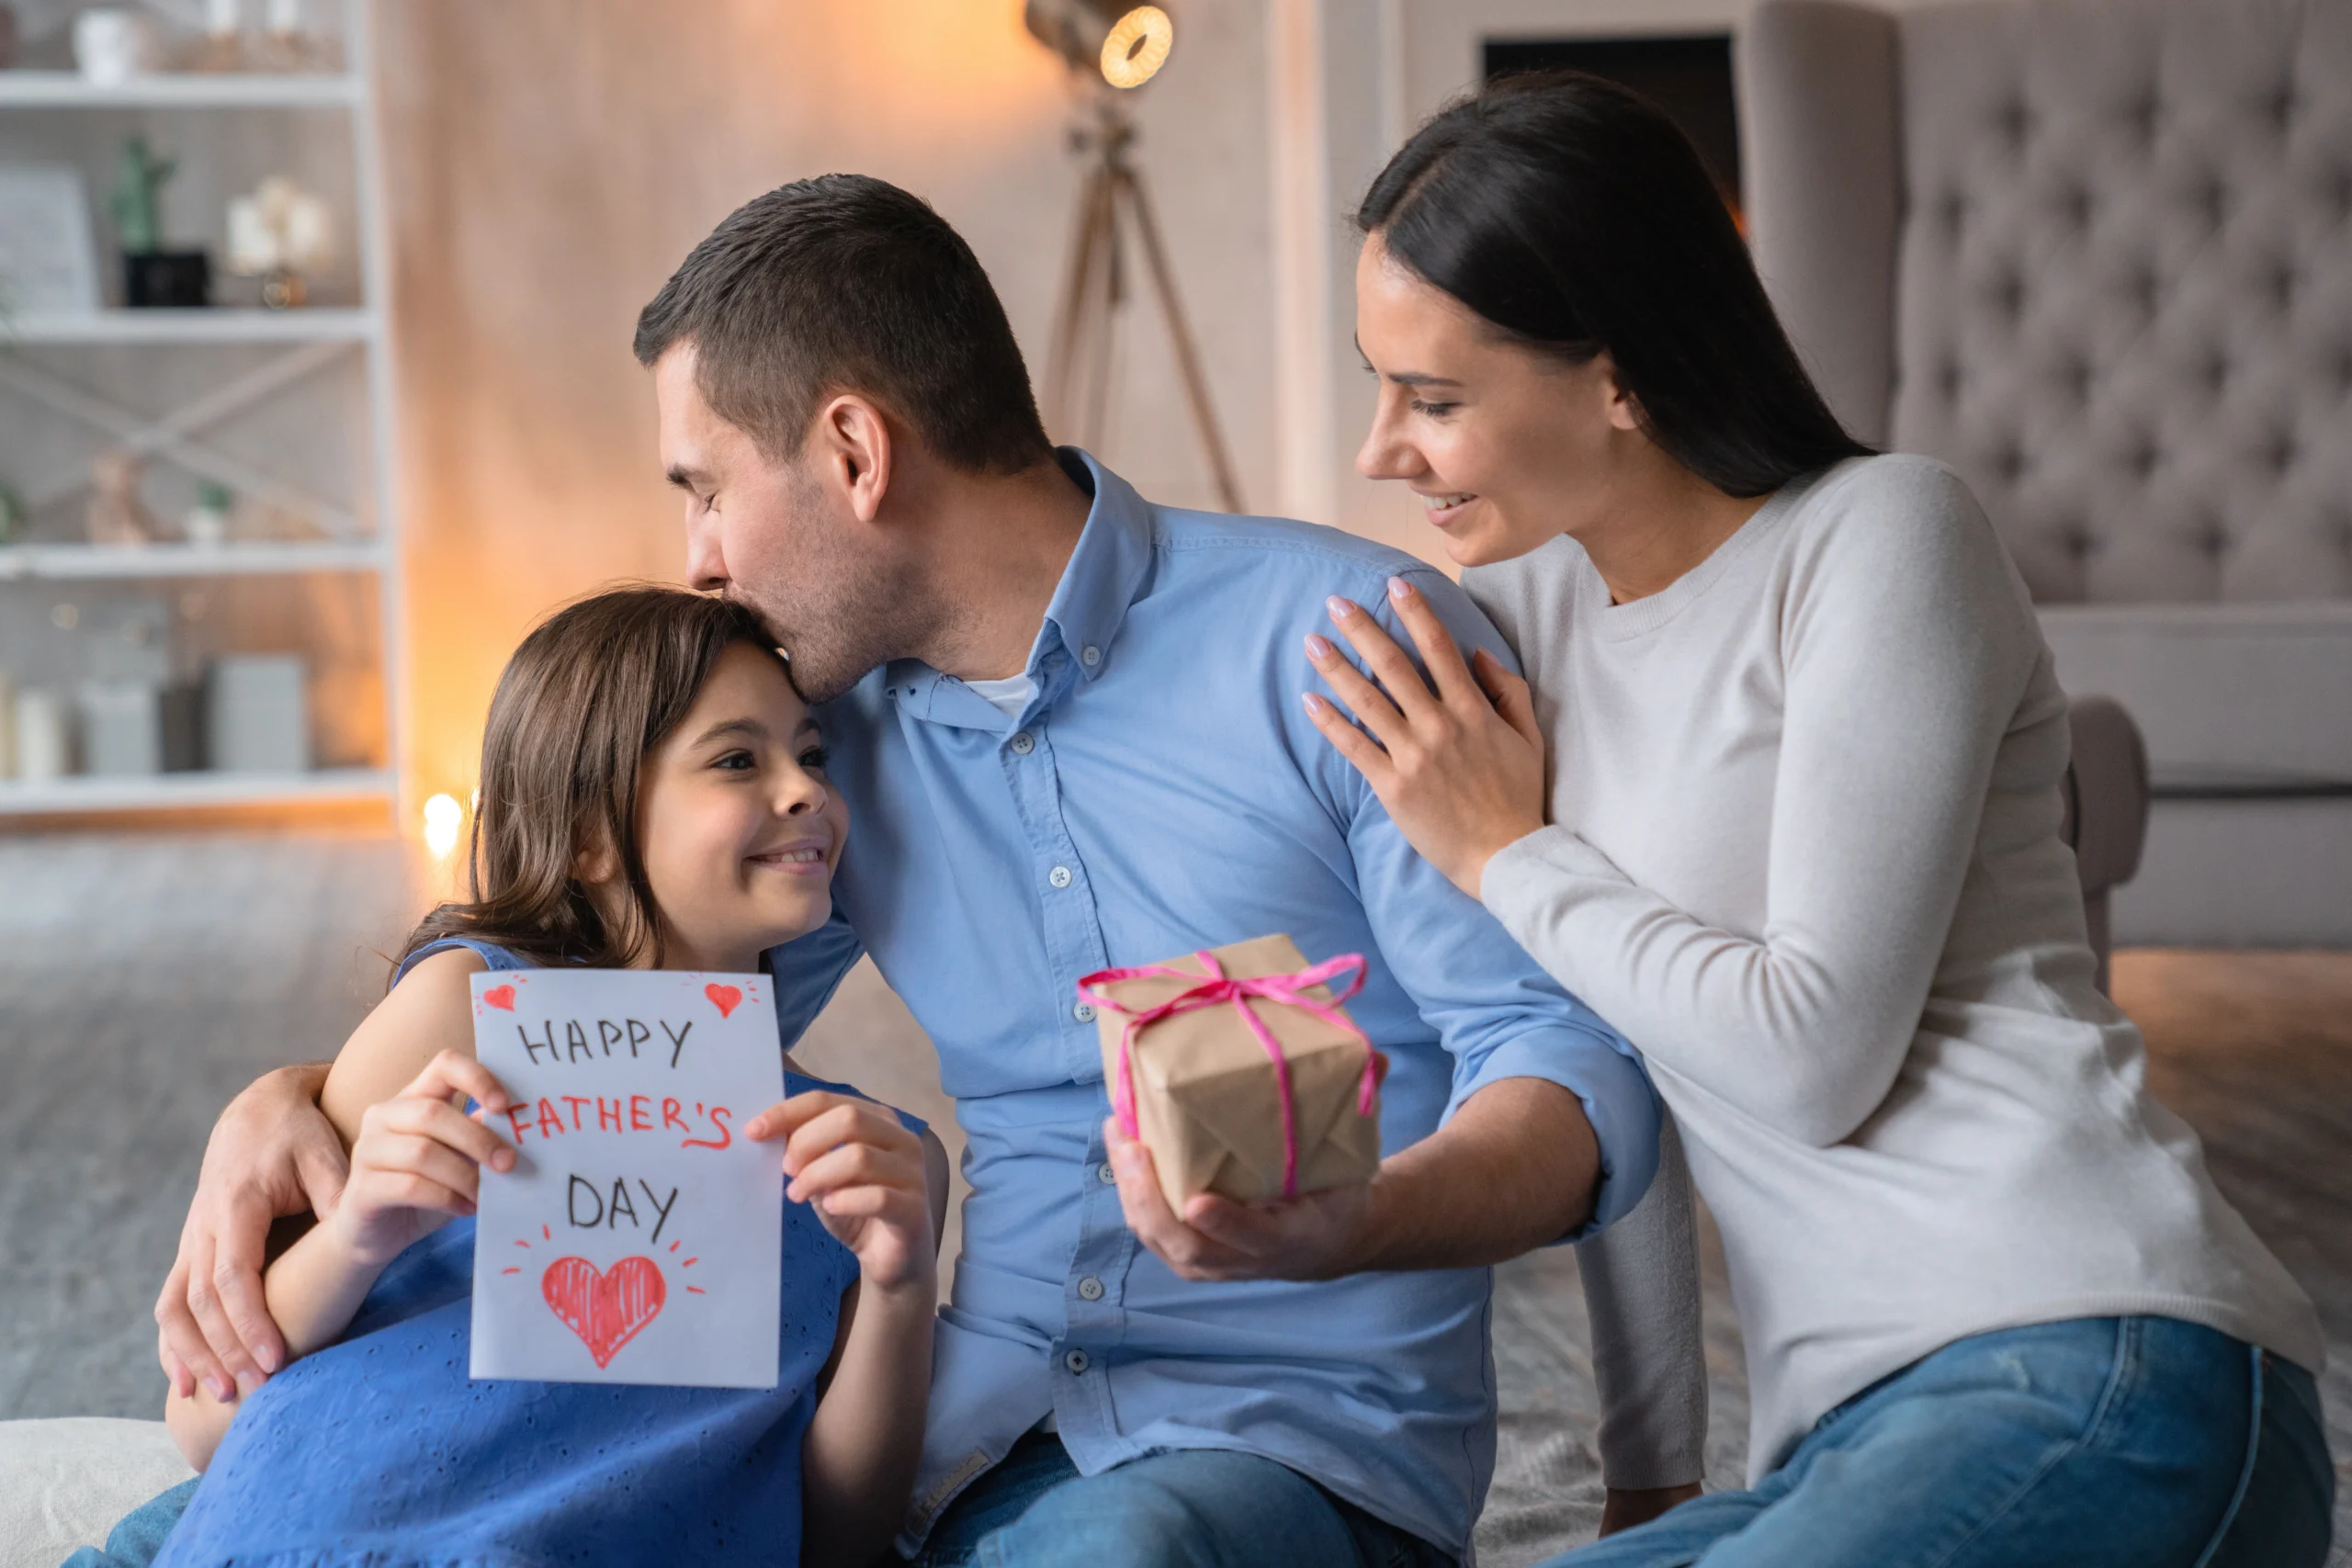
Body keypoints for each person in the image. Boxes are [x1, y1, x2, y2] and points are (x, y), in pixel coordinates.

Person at [151, 175, 1688, 1567]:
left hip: (1273, 1431)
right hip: (965, 1413)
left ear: (852, 451)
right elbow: (617, 976)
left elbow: (1567, 1078)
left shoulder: (1346, 646)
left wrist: (1338, 1223)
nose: (695, 555)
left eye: (703, 484)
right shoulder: (838, 750)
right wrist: (291, 1098)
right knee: (287, 1502)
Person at [1303, 73, 2335, 1567]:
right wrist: (1652, 1477)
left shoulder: (1884, 534)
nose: (1380, 449)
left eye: (1436, 397)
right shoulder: (1514, 629)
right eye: (1379, 384)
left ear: (1619, 374)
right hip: (1840, 1439)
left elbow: (1810, 1054)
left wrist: (1505, 853)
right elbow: (1620, 1079)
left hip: (2105, 1348)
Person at [146, 587, 946, 1566]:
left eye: (812, 756)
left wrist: (900, 1286)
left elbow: (840, 1545)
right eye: (739, 759)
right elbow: (200, 1424)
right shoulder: (459, 1014)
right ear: (584, 837)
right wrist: (357, 1234)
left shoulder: (875, 1164)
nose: (806, 792)